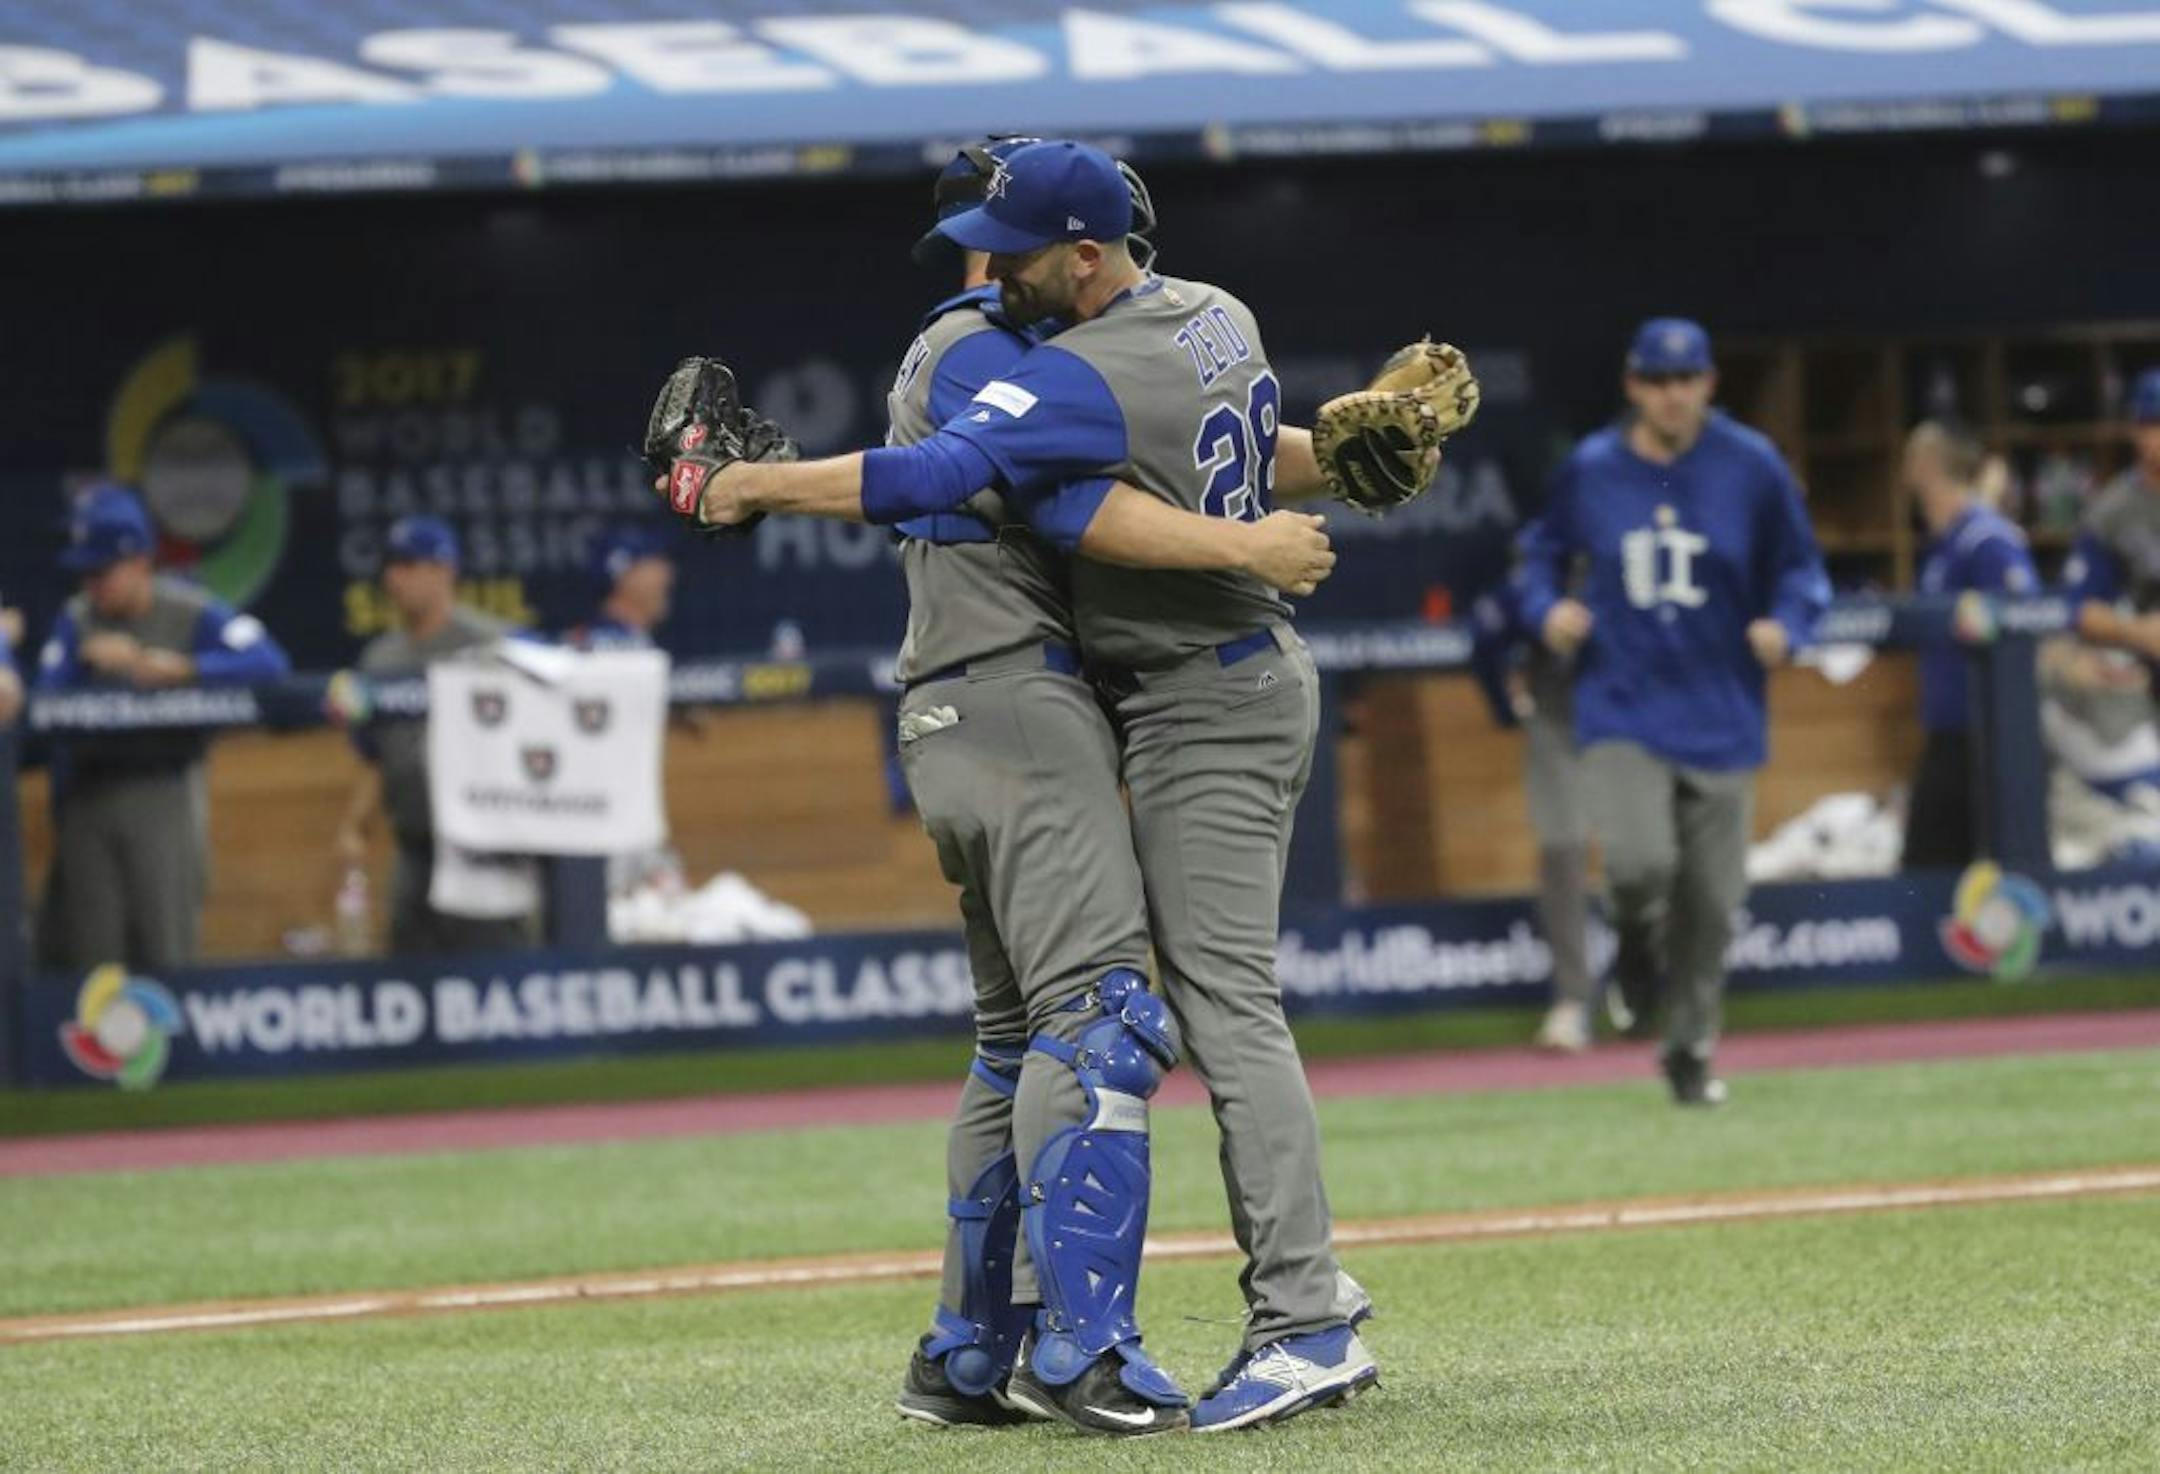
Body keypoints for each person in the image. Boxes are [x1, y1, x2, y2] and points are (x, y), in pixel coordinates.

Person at [671, 139, 1381, 1432]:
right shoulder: (1209, 313)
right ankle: (1079, 1348)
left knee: (1130, 1015)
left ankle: (1273, 1320)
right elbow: (1105, 481)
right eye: (970, 240)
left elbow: (1012, 477)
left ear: (1091, 252)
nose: (980, 264)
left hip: (1140, 698)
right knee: (1093, 1015)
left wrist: (739, 485)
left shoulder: (1060, 364)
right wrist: (1303, 486)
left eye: (1001, 242)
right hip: (1048, 698)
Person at [1515, 319, 1829, 1107]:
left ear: (1709, 384)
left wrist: (1787, 626)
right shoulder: (1592, 469)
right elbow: (1538, 557)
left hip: (1722, 709)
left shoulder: (1751, 465)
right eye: (1657, 381)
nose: (1672, 395)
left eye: (1686, 380)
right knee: (1637, 863)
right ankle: (1633, 955)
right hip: (1621, 701)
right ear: (1633, 386)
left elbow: (1801, 571)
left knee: (1714, 906)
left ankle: (1688, 1054)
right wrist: (1546, 607)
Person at [35, 483, 291, 971]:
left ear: (139, 562)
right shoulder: (78, 620)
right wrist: (83, 667)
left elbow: (270, 665)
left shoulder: (190, 610)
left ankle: (176, 1049)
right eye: (84, 574)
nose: (92, 586)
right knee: (94, 958)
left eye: (102, 572)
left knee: (166, 950)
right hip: (89, 795)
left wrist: (188, 669)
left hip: (163, 790)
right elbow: (42, 702)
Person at [337, 515, 533, 956]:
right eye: (391, 565)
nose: (394, 577)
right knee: (412, 975)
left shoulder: (495, 645)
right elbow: (375, 757)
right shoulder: (380, 659)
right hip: (414, 846)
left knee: (495, 973)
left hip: (485, 847)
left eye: (409, 565)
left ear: (444, 570)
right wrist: (355, 827)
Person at [1902, 421, 2038, 869]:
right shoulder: (1948, 541)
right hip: (1947, 728)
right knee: (1932, 865)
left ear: (1929, 465)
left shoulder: (1985, 538)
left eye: (1913, 458)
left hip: (1986, 734)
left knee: (1937, 865)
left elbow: (2025, 617)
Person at [1468, 586, 1598, 1052]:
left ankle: (1658, 985)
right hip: (1558, 713)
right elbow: (1486, 632)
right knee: (1562, 851)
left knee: (1649, 853)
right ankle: (1573, 1000)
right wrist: (1505, 706)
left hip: (1639, 711)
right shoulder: (1545, 550)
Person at [2066, 367, 2160, 680]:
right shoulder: (2111, 511)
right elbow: (2081, 609)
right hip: (2142, 681)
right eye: (2153, 424)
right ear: (2136, 430)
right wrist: (2139, 631)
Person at [568, 526, 674, 651]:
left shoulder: (635, 637)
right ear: (625, 575)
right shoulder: (600, 642)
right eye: (653, 558)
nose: (667, 573)